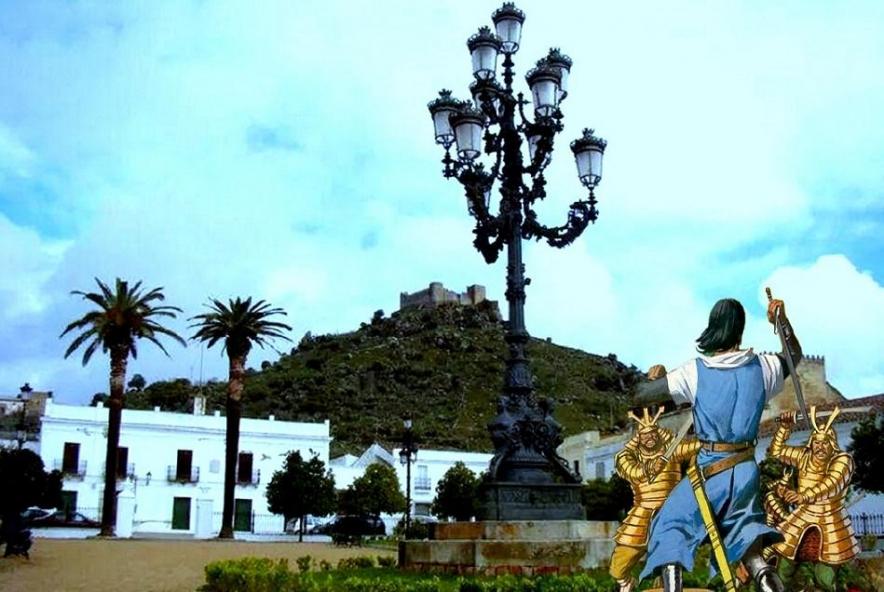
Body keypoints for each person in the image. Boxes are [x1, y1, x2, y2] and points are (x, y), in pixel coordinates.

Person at [633, 296, 802, 592]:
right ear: (740, 330)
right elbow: (794, 356)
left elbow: (640, 395)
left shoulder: (693, 372)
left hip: (711, 471)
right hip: (746, 471)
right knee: (748, 545)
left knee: (670, 526)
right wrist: (782, 321)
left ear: (713, 327)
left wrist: (654, 377)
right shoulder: (764, 366)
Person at [609, 407, 700, 592]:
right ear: (639, 438)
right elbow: (630, 471)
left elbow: (694, 447)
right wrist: (650, 467)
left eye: (652, 434)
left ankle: (664, 584)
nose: (649, 438)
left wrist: (706, 440)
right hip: (641, 513)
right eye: (645, 436)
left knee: (670, 556)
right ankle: (625, 583)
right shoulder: (627, 456)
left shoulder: (672, 449)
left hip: (670, 512)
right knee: (619, 566)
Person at [763, 406, 860, 564]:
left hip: (831, 520)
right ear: (811, 443)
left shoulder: (842, 460)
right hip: (802, 516)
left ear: (832, 444)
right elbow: (776, 451)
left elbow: (831, 484)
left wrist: (803, 496)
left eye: (825, 442)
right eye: (817, 442)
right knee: (785, 566)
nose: (820, 447)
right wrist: (784, 427)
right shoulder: (804, 456)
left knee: (825, 573)